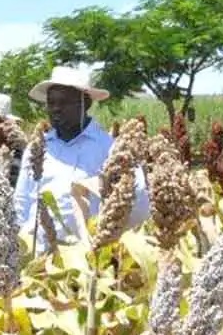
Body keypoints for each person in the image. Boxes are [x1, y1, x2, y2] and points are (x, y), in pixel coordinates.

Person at [13, 66, 149, 248]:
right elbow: (22, 201)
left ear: (86, 103)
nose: (56, 109)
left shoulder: (109, 148)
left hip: (88, 258)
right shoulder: (37, 148)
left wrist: (111, 242)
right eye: (51, 103)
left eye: (64, 102)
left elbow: (138, 202)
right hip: (39, 256)